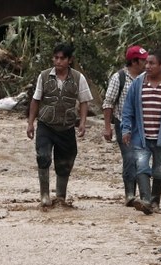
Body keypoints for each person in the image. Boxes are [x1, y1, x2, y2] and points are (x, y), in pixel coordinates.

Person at [26, 42, 94, 207]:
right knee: (43, 157)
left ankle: (61, 197)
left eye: (62, 58)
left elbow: (84, 102)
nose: (58, 62)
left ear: (69, 60)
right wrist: (30, 123)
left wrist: (83, 123)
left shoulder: (78, 78)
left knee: (65, 162)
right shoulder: (43, 76)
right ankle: (44, 195)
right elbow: (36, 100)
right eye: (56, 58)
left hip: (67, 127)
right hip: (46, 125)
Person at [119, 49, 161, 214]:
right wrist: (126, 129)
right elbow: (127, 109)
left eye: (152, 63)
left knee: (160, 171)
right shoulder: (138, 84)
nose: (147, 66)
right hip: (140, 137)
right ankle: (146, 201)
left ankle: (155, 202)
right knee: (141, 166)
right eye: (146, 63)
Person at [102, 45, 149, 206]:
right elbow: (108, 103)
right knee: (129, 157)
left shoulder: (147, 77)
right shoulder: (119, 78)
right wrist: (107, 127)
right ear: (134, 62)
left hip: (145, 125)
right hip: (124, 124)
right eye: (143, 60)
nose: (146, 63)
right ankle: (130, 194)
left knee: (142, 158)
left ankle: (144, 196)